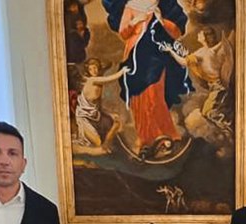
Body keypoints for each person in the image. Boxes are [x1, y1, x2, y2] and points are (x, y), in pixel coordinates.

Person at [103, 0, 193, 156]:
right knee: (140, 98)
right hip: (137, 54)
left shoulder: (159, 8)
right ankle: (146, 139)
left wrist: (162, 21)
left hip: (156, 55)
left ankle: (165, 133)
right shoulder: (131, 6)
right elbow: (124, 32)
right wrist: (134, 22)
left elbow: (176, 32)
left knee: (155, 94)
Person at [73, 58, 128, 155]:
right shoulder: (92, 81)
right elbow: (108, 79)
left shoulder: (99, 85)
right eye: (91, 69)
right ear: (88, 71)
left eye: (95, 68)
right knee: (97, 142)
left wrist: (110, 114)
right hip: (84, 117)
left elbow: (99, 106)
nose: (94, 71)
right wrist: (122, 72)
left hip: (95, 115)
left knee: (116, 123)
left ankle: (105, 147)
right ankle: (98, 148)